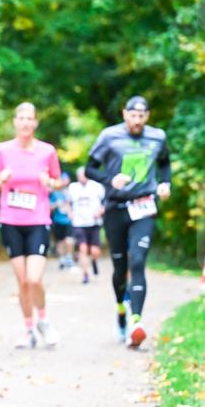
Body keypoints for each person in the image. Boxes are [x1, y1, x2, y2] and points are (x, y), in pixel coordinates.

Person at [86, 96, 171, 348]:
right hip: (115, 208)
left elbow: (165, 164)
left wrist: (166, 183)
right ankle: (121, 311)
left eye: (141, 115)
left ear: (147, 116)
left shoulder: (157, 137)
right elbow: (90, 169)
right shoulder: (109, 136)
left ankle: (136, 320)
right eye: (132, 115)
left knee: (138, 261)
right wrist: (109, 179)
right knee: (120, 268)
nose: (137, 120)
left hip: (144, 206)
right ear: (124, 114)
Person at [0, 102, 62, 349]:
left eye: (30, 118)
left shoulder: (47, 151)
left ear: (36, 123)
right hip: (11, 221)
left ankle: (44, 320)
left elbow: (59, 182)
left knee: (34, 278)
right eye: (21, 118)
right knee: (22, 282)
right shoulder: (3, 151)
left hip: (38, 220)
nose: (26, 122)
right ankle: (28, 330)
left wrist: (49, 181)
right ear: (15, 121)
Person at [68, 166, 106, 284]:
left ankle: (94, 261)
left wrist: (100, 211)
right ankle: (85, 274)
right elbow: (68, 202)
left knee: (95, 251)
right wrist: (70, 214)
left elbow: (105, 201)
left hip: (94, 222)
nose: (82, 178)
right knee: (83, 249)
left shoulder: (97, 187)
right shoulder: (73, 187)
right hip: (79, 222)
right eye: (80, 176)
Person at [49, 172, 75, 269]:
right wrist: (56, 205)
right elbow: (49, 207)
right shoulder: (54, 193)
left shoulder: (71, 191)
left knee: (69, 240)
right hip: (57, 220)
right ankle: (62, 259)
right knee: (60, 241)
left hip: (68, 220)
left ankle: (69, 258)